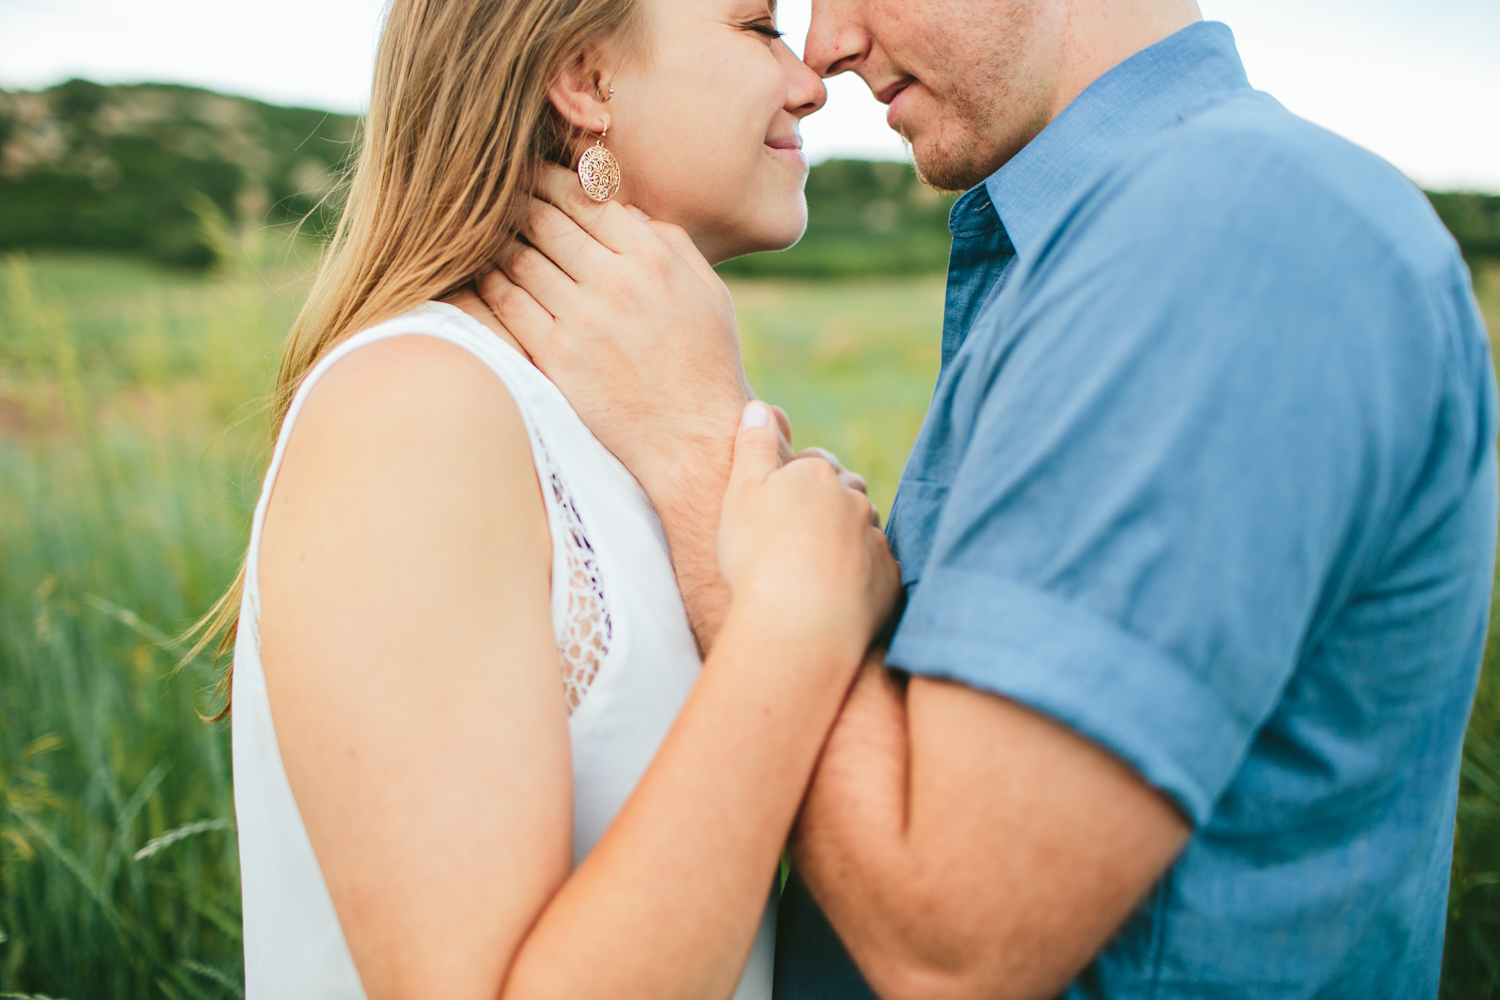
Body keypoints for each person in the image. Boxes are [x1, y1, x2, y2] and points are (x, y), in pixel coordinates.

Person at [477, 1, 1499, 997]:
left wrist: (699, 451)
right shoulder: (1104, 242)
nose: (826, 47)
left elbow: (952, 948)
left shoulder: (1220, 228)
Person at [196, 0, 901, 995]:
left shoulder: (618, 424)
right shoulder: (414, 408)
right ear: (587, 79)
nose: (809, 81)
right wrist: (796, 624)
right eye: (757, 28)